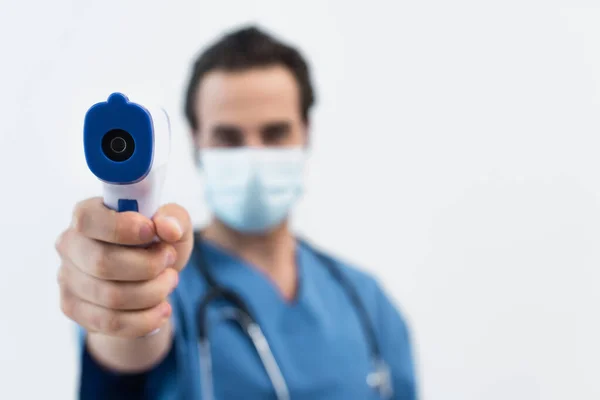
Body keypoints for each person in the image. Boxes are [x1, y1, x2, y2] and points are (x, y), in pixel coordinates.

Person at [55, 25, 418, 400]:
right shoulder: (163, 276)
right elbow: (124, 354)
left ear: (306, 133)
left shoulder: (366, 301)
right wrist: (126, 296)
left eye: (275, 133)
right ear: (196, 141)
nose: (254, 156)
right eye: (228, 137)